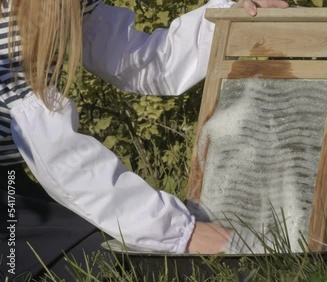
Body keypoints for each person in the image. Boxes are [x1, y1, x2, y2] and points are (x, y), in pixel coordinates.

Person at [0, 0, 288, 280]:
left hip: (13, 187)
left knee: (115, 245)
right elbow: (53, 148)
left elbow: (141, 61)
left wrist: (226, 20)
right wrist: (178, 232)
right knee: (114, 260)